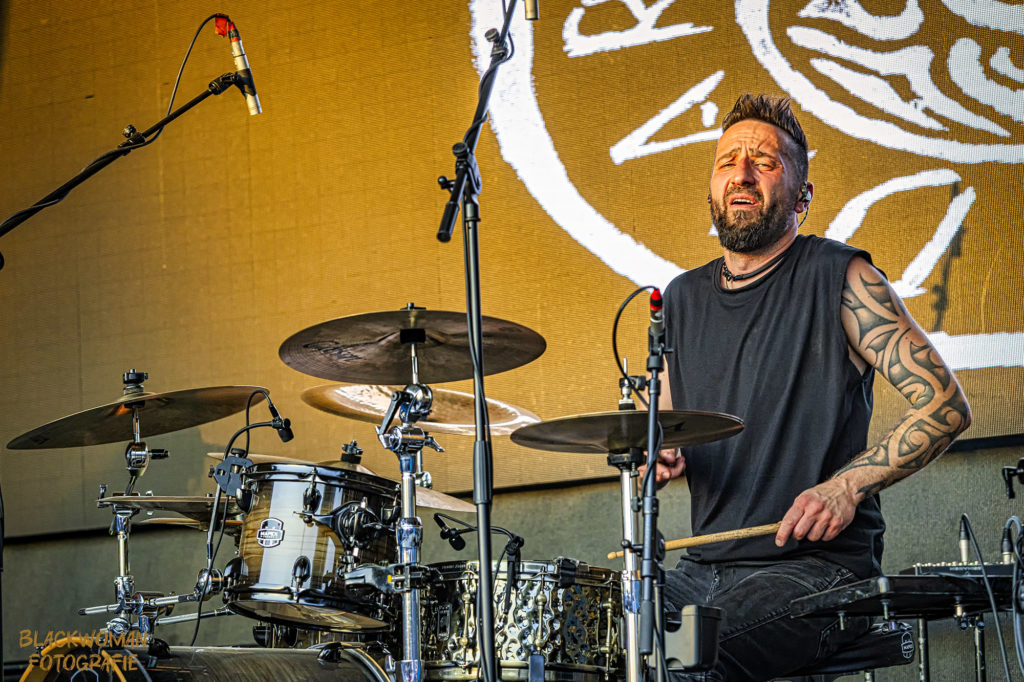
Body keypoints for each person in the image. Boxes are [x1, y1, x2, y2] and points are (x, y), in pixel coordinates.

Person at [652, 93, 971, 680]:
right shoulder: (680, 298)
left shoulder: (842, 276)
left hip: (816, 569)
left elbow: (945, 405)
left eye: (764, 162)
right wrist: (660, 450)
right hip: (702, 568)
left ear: (803, 195)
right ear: (712, 188)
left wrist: (846, 487)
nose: (741, 174)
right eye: (727, 162)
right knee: (600, 640)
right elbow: (665, 424)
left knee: (688, 659)